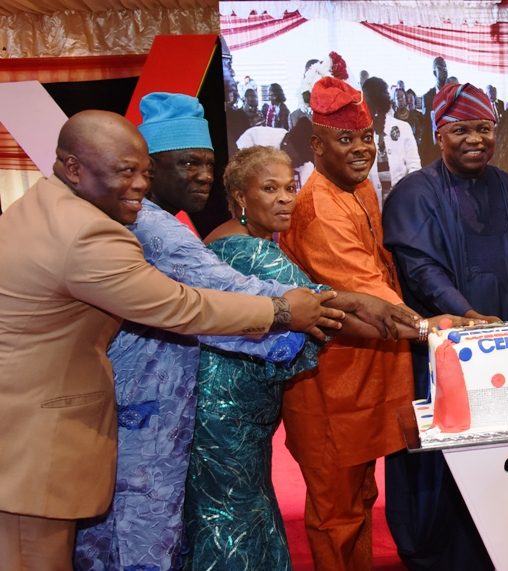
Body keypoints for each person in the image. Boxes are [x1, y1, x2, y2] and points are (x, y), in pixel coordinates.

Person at [0, 110, 340, 569]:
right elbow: (182, 305)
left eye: (144, 172)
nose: (140, 184)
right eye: (126, 172)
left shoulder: (47, 201)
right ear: (73, 168)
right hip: (37, 444)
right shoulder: (89, 231)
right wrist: (282, 311)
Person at [72, 93, 373, 571]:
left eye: (209, 164)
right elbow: (228, 294)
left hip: (163, 415)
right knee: (153, 538)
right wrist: (376, 314)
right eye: (188, 163)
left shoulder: (172, 225)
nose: (202, 176)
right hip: (154, 419)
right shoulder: (155, 227)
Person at [183, 146, 436, 570]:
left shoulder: (242, 238)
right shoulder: (252, 252)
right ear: (241, 197)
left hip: (235, 404)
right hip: (229, 410)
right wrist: (432, 328)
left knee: (237, 513)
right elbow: (327, 310)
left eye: (289, 187)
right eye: (270, 189)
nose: (286, 198)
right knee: (233, 520)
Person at [278, 59, 455, 571]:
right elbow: (371, 295)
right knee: (337, 511)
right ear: (317, 146)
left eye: (365, 138)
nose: (361, 150)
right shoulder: (319, 209)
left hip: (365, 372)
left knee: (358, 503)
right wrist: (439, 327)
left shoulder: (356, 188)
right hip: (328, 384)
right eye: (345, 141)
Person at [382, 82, 508, 570]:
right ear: (438, 134)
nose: (474, 139)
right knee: (442, 462)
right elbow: (421, 270)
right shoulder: (412, 193)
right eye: (460, 129)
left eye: (484, 128)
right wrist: (467, 317)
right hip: (441, 353)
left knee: (504, 456)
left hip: (504, 356)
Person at [363, 75, 421, 203]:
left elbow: (414, 166)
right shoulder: (362, 133)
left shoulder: (403, 128)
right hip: (373, 206)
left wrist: (406, 195)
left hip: (402, 202)